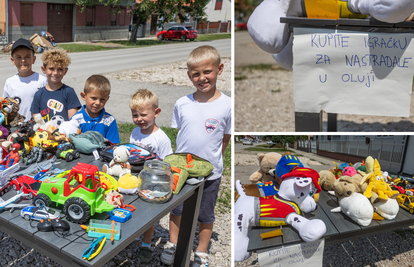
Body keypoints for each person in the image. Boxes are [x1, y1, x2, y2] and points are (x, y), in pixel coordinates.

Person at [160, 45, 231, 267]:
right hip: (181, 171)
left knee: (206, 214)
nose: (202, 78)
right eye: (196, 74)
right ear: (189, 76)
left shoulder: (228, 105)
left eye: (207, 71)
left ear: (219, 69)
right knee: (177, 209)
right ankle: (173, 243)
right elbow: (181, 133)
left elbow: (225, 139)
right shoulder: (182, 103)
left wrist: (213, 162)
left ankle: (201, 251)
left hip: (211, 173)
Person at [129, 88, 173, 263]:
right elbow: (132, 153)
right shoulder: (135, 133)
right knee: (133, 208)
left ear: (156, 112)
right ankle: (132, 234)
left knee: (149, 214)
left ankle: (146, 244)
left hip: (153, 183)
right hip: (136, 178)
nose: (139, 119)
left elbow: (167, 164)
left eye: (143, 115)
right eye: (135, 115)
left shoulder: (161, 139)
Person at [30, 48, 81, 122]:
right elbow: (35, 119)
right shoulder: (38, 94)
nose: (55, 73)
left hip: (63, 133)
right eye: (51, 68)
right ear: (43, 69)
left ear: (65, 71)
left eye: (60, 69)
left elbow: (73, 121)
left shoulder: (69, 92)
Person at [3, 38, 47, 121]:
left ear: (33, 59)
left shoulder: (42, 81)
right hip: (16, 128)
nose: (23, 60)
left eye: (27, 57)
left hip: (38, 128)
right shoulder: (10, 82)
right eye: (18, 57)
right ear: (13, 60)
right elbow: (5, 107)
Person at [70, 75, 120, 143]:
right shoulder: (76, 120)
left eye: (102, 99)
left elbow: (113, 146)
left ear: (107, 99)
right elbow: (70, 142)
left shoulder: (109, 121)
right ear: (83, 96)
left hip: (103, 153)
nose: (98, 103)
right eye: (94, 98)